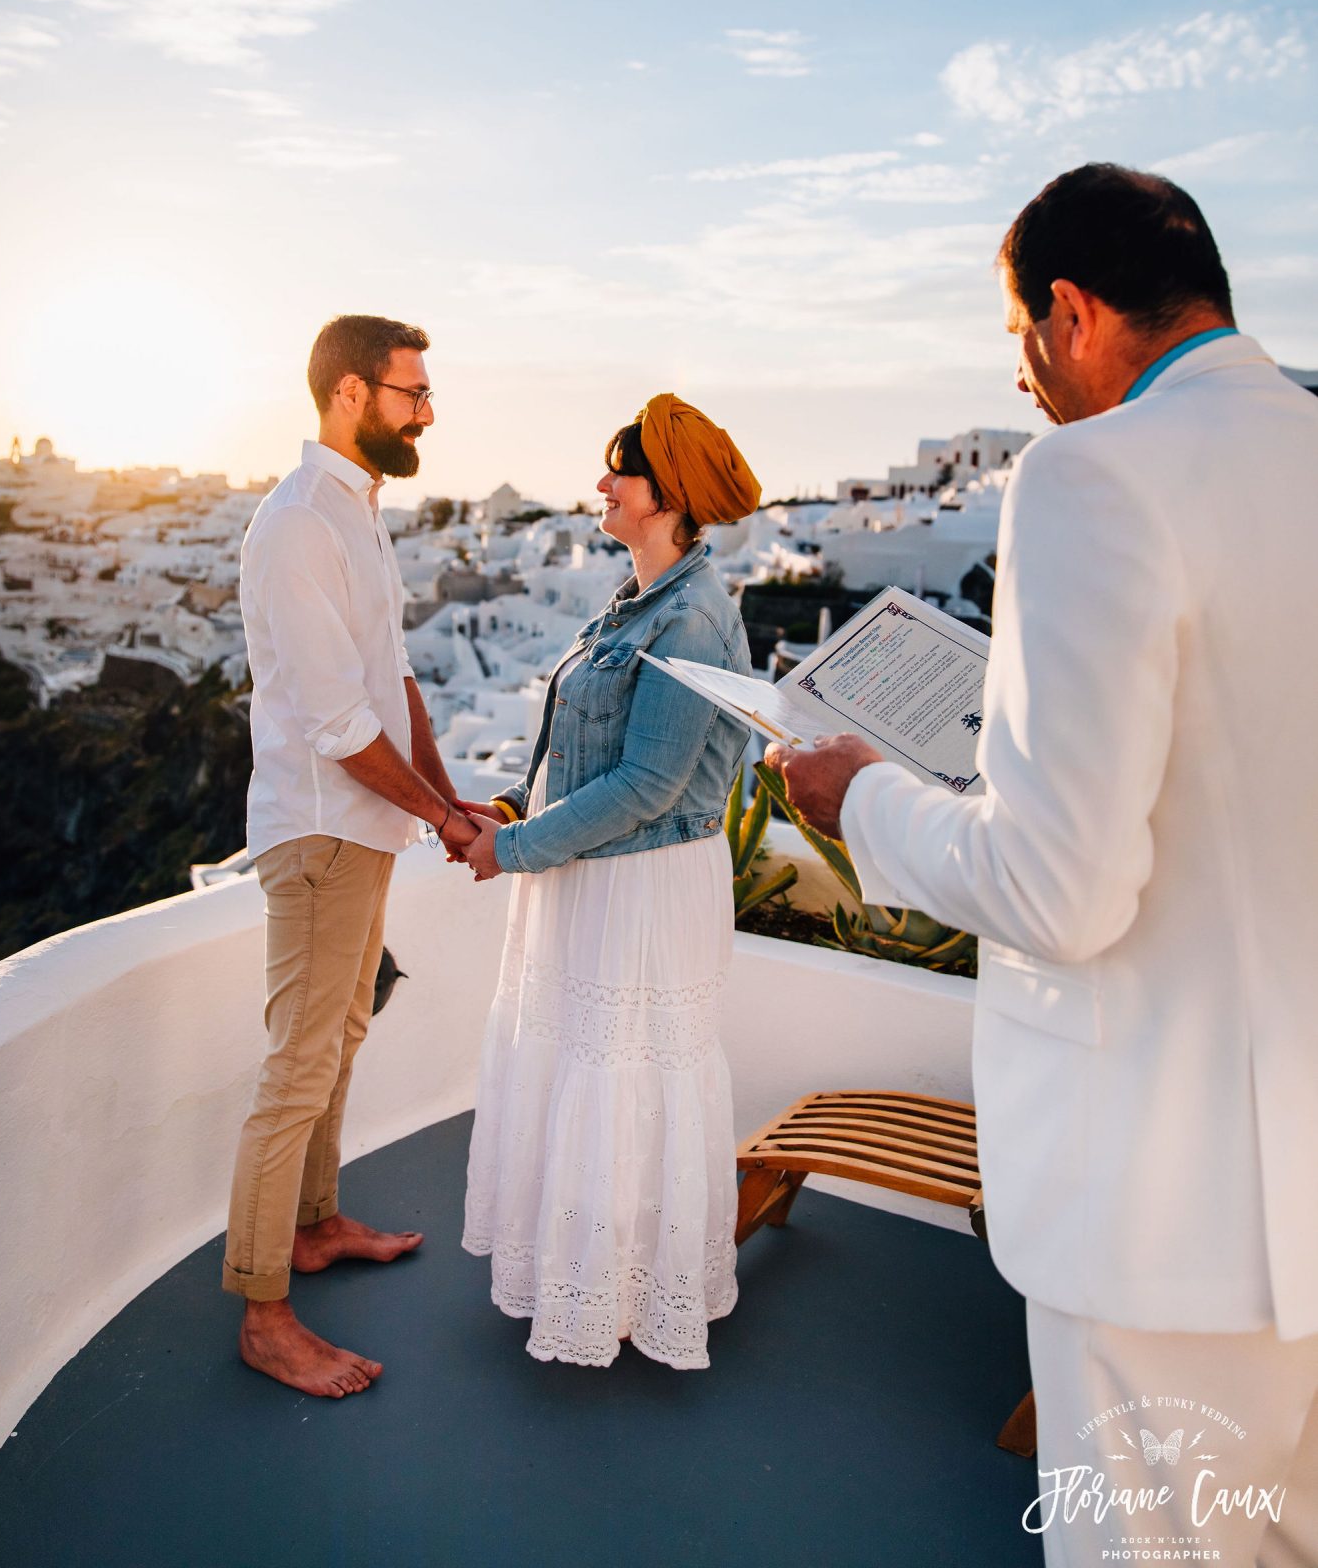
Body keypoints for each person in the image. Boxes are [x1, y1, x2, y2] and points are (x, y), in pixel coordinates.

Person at [767, 166, 1318, 1568]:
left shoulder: (1092, 474)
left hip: (1163, 1214)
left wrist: (866, 801)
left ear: (1069, 314)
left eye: (1018, 337)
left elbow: (1057, 891)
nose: (1023, 380)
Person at [459, 395, 759, 1369]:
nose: (600, 485)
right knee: (591, 1071)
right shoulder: (637, 600)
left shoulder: (695, 617)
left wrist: (513, 849)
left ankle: (626, 1295)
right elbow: (577, 744)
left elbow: (650, 783)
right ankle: (588, 1279)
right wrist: (513, 805)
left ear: (665, 495)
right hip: (591, 872)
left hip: (643, 888)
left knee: (627, 1080)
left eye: (617, 472)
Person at [225, 314, 480, 1399]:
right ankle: (263, 1307)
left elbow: (398, 680)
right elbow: (337, 722)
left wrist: (445, 793)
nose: (427, 410)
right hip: (322, 827)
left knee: (344, 1032)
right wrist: (441, 816)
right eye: (410, 391)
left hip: (362, 828)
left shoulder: (357, 513)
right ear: (347, 395)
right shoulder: (297, 527)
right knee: (298, 1064)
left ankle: (317, 1225)